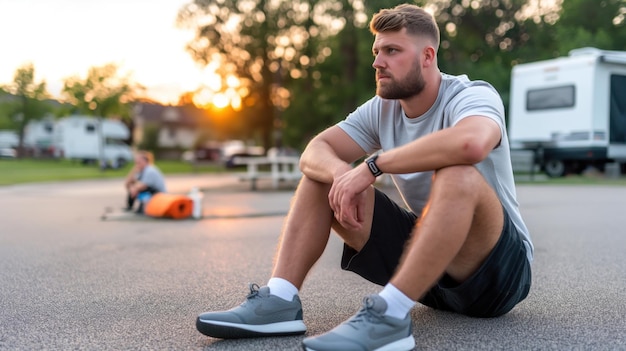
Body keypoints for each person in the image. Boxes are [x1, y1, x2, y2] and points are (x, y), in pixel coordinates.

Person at [195, 4, 533, 350]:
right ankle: (280, 300)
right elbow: (316, 150)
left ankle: (389, 316)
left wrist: (373, 165)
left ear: (427, 56)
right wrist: (343, 174)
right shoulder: (382, 107)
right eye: (376, 52)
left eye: (392, 51)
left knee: (458, 173)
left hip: (498, 275)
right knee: (323, 174)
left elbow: (470, 143)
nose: (377, 62)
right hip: (430, 273)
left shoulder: (471, 95)